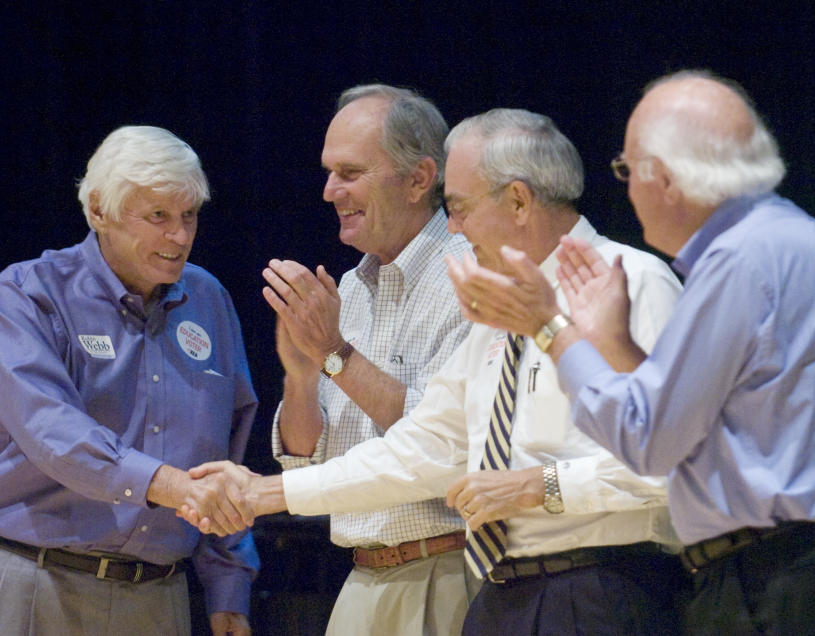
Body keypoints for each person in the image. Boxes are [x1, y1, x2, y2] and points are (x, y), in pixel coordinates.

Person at [188, 108, 688, 635]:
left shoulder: (631, 282)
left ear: (518, 200)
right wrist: (263, 494)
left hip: (602, 586)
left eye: (460, 207)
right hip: (506, 594)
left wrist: (539, 485)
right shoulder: (498, 321)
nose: (452, 226)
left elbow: (671, 464)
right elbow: (421, 447)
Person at [446, 70, 815, 634]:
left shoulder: (741, 262)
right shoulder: (804, 241)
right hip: (811, 564)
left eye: (626, 171)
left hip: (791, 574)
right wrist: (614, 342)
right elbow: (696, 431)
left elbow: (652, 444)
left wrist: (548, 327)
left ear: (667, 174)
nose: (627, 191)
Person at [0, 125, 259, 635]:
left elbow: (227, 459)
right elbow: (53, 432)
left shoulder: (209, 299)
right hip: (39, 582)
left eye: (189, 216)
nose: (180, 236)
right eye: (158, 216)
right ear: (99, 211)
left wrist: (229, 584)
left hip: (160, 598)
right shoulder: (27, 295)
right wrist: (172, 486)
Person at [261, 84, 475, 635]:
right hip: (360, 578)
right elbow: (306, 468)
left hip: (451, 571)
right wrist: (302, 375)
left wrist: (335, 354)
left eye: (351, 173)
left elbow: (442, 439)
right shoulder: (350, 291)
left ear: (420, 179)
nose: (331, 191)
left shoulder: (471, 277)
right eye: (329, 172)